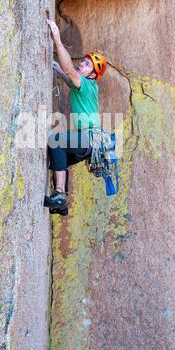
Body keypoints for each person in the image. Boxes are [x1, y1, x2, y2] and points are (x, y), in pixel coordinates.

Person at [44, 19, 107, 215]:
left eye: (87, 65)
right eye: (84, 61)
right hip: (91, 143)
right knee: (57, 159)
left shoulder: (87, 85)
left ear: (92, 75)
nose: (83, 64)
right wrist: (58, 69)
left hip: (90, 138)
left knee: (55, 141)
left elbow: (71, 72)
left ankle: (60, 194)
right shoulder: (86, 87)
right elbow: (69, 78)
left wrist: (57, 41)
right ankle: (61, 203)